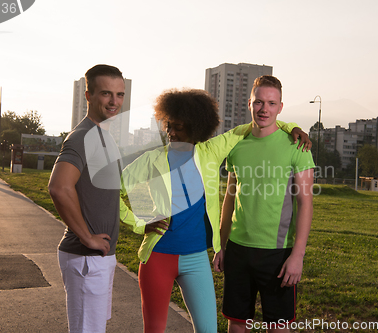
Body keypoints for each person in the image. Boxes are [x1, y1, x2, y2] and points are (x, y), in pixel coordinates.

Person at [120, 88, 311, 333]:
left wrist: (291, 127)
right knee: (154, 330)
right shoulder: (150, 160)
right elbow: (118, 191)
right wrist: (139, 221)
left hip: (197, 259)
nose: (171, 132)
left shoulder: (210, 153)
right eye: (168, 125)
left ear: (196, 127)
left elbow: (253, 125)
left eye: (178, 127)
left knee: (209, 330)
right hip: (157, 256)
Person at [213, 75, 315, 333]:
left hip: (278, 252)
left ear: (280, 107)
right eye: (259, 102)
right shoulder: (236, 145)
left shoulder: (297, 146)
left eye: (271, 103)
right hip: (237, 249)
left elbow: (305, 203)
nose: (264, 109)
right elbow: (230, 196)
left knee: (278, 326)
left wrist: (298, 255)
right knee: (237, 323)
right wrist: (221, 245)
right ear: (249, 103)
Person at [48, 64, 125, 333]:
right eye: (106, 94)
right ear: (88, 95)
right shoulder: (82, 137)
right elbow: (59, 187)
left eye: (119, 94)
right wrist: (87, 237)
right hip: (85, 259)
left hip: (99, 258)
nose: (114, 102)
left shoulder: (104, 136)